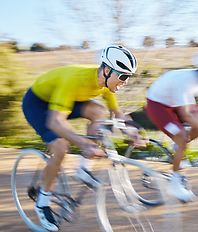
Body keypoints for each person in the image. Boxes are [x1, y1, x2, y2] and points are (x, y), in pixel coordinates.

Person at [22, 45, 147, 231]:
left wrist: (132, 132)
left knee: (99, 112)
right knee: (61, 147)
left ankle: (82, 169)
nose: (126, 81)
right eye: (123, 76)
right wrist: (84, 143)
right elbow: (55, 122)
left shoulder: (106, 84)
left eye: (128, 76)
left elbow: (117, 113)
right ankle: (42, 203)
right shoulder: (76, 80)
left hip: (65, 98)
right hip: (38, 105)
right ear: (106, 70)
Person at [145, 51, 198, 202]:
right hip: (158, 105)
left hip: (177, 103)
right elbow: (187, 116)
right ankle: (175, 182)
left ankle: (178, 148)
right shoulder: (185, 81)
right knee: (181, 136)